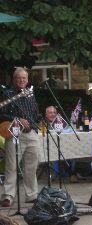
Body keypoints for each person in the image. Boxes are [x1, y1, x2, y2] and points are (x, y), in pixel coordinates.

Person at [0, 67, 40, 207]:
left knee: (32, 165)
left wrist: (36, 121)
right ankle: (8, 195)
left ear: (27, 80)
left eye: (24, 78)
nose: (22, 80)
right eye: (19, 78)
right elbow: (2, 114)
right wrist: (18, 119)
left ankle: (31, 195)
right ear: (14, 79)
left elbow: (35, 112)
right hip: (14, 134)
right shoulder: (7, 94)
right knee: (12, 166)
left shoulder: (30, 94)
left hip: (31, 133)